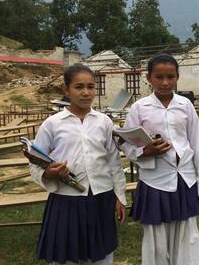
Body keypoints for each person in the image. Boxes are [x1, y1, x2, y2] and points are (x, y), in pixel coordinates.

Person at [121, 53, 199, 265]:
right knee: (157, 237)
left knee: (186, 235)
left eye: (170, 77)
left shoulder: (185, 105)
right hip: (155, 180)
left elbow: (196, 143)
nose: (165, 82)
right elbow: (126, 142)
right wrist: (145, 152)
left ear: (177, 77)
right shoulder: (139, 108)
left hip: (185, 178)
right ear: (149, 78)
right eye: (159, 77)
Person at [29, 65, 127, 265]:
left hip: (101, 197)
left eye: (91, 86)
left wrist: (120, 196)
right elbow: (35, 162)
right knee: (66, 255)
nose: (86, 92)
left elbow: (114, 162)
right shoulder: (53, 124)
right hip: (66, 200)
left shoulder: (104, 122)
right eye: (79, 87)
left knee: (101, 254)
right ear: (66, 90)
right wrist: (49, 172)